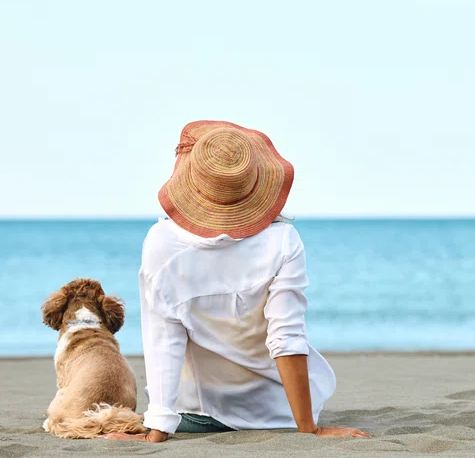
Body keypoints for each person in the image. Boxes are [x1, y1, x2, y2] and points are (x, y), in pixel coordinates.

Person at [104, 120, 369, 443]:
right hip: (282, 413)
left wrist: (157, 429)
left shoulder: (162, 243)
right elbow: (286, 337)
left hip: (204, 415)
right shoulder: (283, 240)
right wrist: (308, 428)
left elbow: (164, 340)